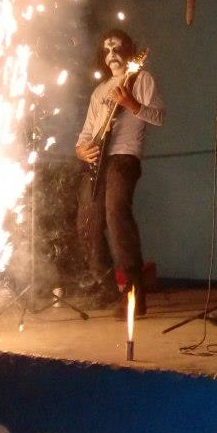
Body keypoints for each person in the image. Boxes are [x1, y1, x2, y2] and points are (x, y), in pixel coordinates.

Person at [75, 29, 165, 318]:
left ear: (129, 50)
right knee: (87, 223)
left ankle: (135, 292)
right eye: (106, 50)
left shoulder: (141, 78)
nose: (111, 54)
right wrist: (81, 151)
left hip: (124, 157)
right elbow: (86, 134)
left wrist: (131, 104)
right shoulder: (99, 90)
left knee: (116, 217)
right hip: (96, 161)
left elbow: (159, 117)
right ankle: (107, 288)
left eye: (116, 48)